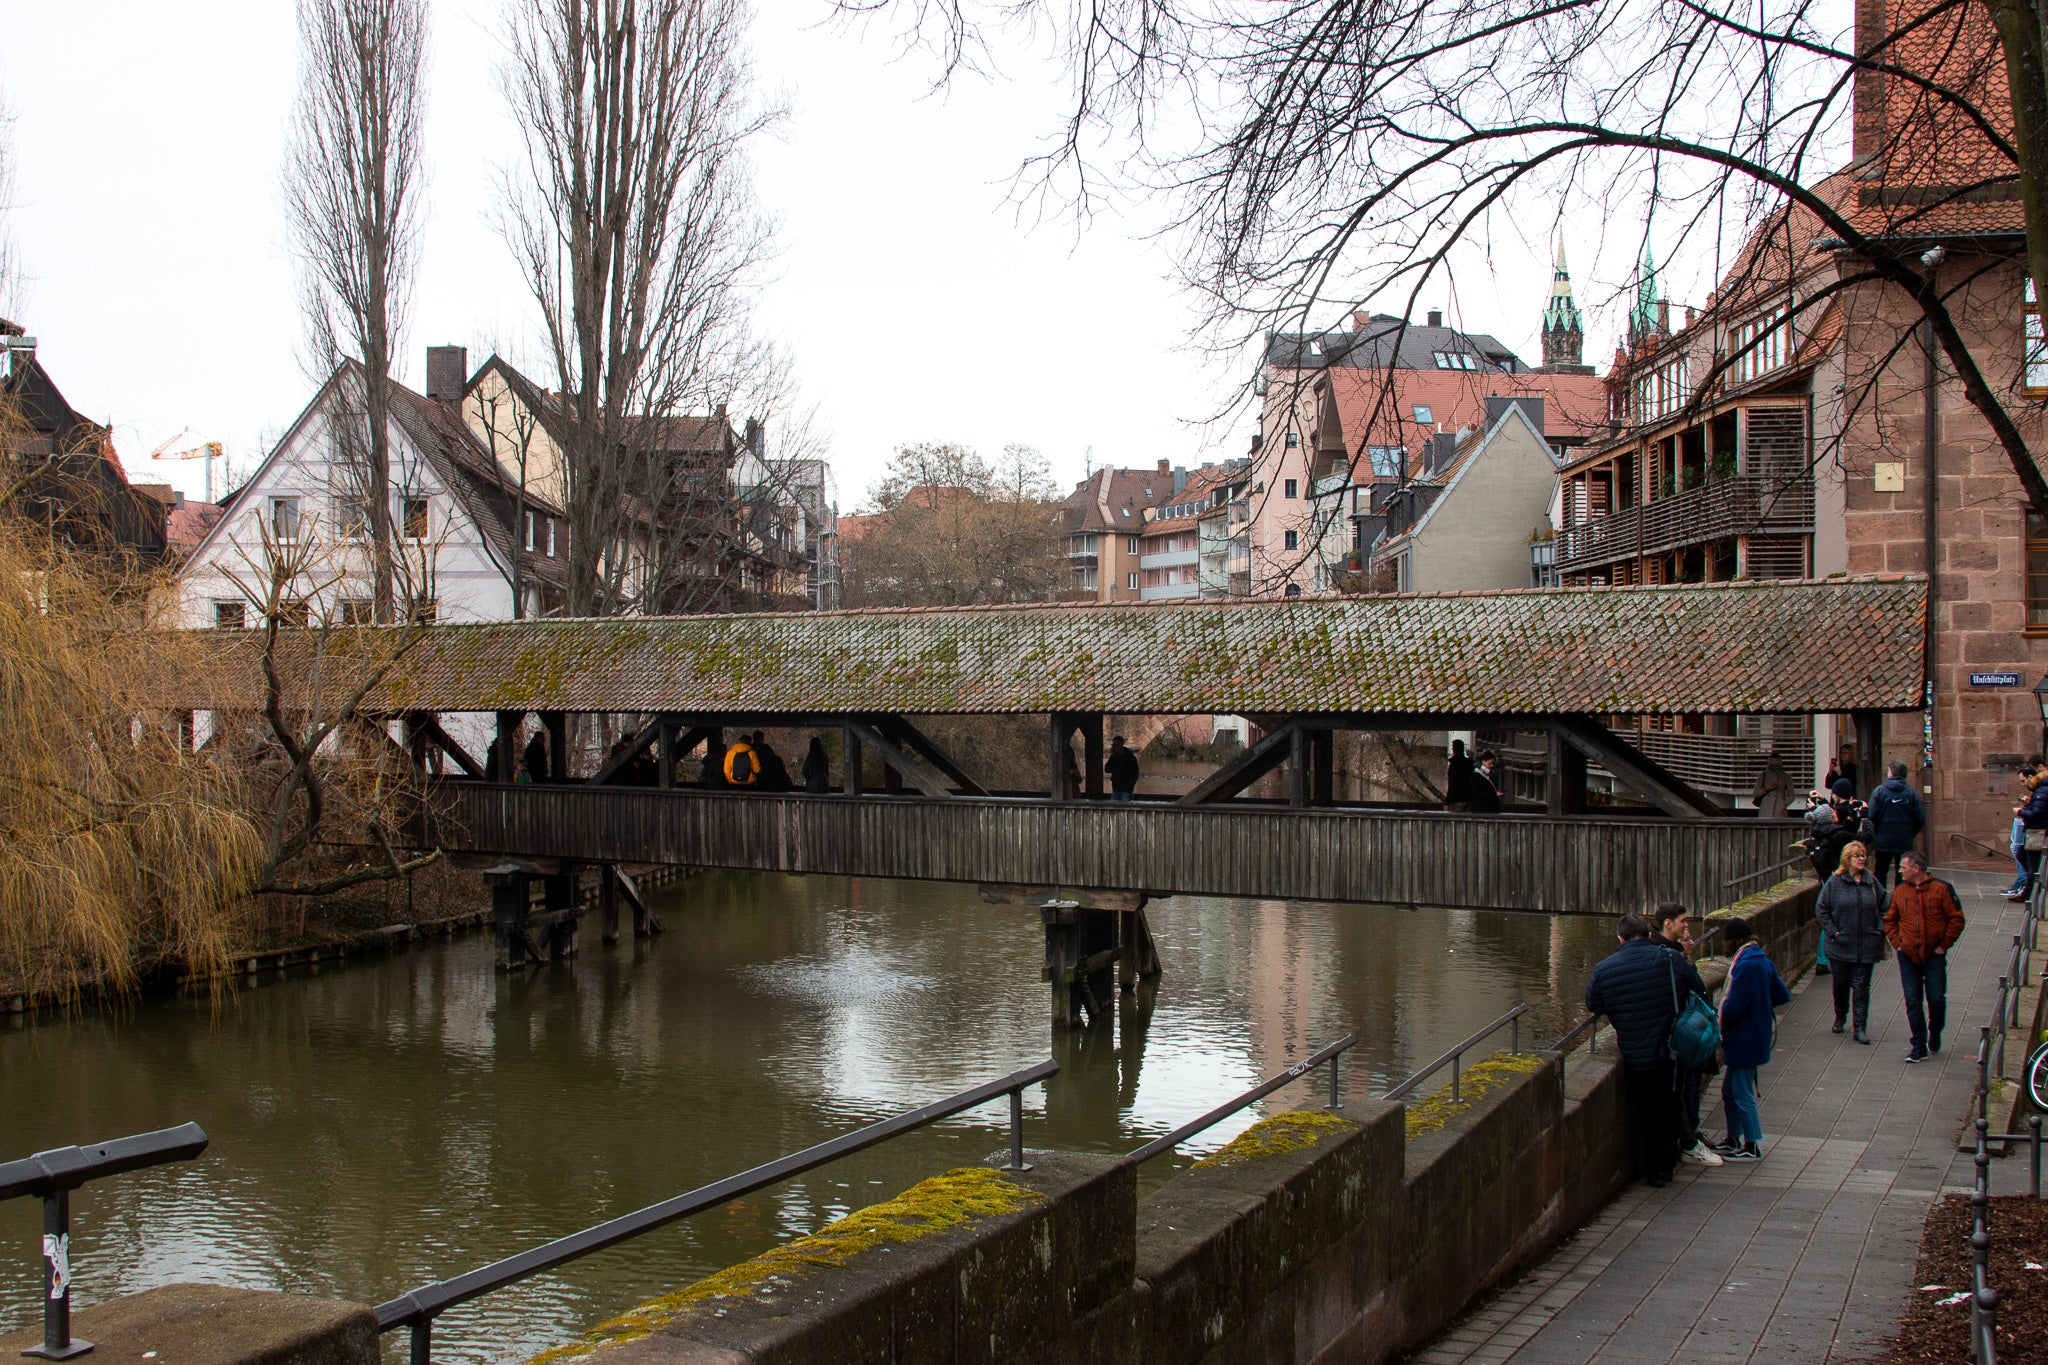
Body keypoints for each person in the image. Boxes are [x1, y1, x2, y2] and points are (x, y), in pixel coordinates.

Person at [1585, 912, 1709, 1188]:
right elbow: (1699, 989)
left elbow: (1593, 1003)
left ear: (1620, 937)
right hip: (1671, 1048)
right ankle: (1674, 1155)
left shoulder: (1605, 968)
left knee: (1648, 1110)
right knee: (1671, 1101)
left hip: (1636, 1051)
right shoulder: (1670, 959)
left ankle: (1659, 1171)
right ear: (1648, 934)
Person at [1651, 903, 1722, 1169]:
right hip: (1676, 1034)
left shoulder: (1671, 953)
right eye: (1682, 921)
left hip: (1675, 1032)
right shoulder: (1667, 955)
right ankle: (1689, 1141)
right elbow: (1698, 987)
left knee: (1688, 1087)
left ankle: (1691, 1135)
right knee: (1684, 1088)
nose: (1686, 926)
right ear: (1668, 923)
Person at [1713, 917, 1790, 1161]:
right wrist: (1761, 1006)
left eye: (1725, 940)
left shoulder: (1745, 965)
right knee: (1729, 1090)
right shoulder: (1761, 960)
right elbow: (1781, 994)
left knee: (1741, 1091)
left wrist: (1719, 1021)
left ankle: (1752, 1144)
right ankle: (1733, 1138)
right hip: (1755, 1034)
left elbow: (1733, 1005)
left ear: (1733, 941)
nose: (1723, 946)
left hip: (1743, 1037)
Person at [1884, 852, 1966, 1062]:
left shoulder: (1941, 889)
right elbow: (1890, 919)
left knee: (1937, 998)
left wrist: (1944, 945)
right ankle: (1918, 1045)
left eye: (1903, 867)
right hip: (1908, 954)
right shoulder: (1900, 892)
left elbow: (1956, 918)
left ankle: (1935, 1030)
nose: (1900, 870)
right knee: (1912, 1000)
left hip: (1933, 954)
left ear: (1916, 868)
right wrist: (1898, 944)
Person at [1815, 840, 1888, 1043]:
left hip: (1866, 945)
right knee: (1841, 984)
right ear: (1847, 860)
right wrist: (1833, 932)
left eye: (1864, 855)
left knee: (1862, 986)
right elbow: (1821, 909)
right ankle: (1840, 1014)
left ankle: (1860, 1027)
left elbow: (1886, 907)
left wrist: (1880, 930)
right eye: (1857, 856)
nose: (1862, 859)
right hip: (1840, 945)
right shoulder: (1835, 883)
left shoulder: (1871, 882)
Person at [1866, 760, 1925, 886]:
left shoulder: (1879, 792)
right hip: (1904, 839)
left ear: (1891, 772)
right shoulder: (1911, 794)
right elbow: (1920, 818)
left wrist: (1877, 832)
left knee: (1881, 870)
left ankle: (1881, 900)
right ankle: (1900, 899)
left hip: (1883, 838)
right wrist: (1910, 832)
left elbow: (1871, 815)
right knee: (1903, 871)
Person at [2011, 767, 2048, 900]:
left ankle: (2029, 893)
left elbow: (2037, 813)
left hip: (2037, 831)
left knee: (2032, 864)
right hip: (2035, 830)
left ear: (2031, 777)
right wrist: (2029, 804)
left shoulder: (2040, 791)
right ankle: (2031, 889)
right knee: (2023, 855)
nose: (2023, 784)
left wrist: (2020, 812)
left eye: (2023, 781)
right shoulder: (2040, 791)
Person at [1751, 753, 1792, 819]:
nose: (1774, 768)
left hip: (1779, 809)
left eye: (1776, 766)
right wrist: (1766, 789)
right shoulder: (1763, 775)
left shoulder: (1785, 776)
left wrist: (1783, 804)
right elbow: (1755, 794)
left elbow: (1791, 795)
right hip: (1766, 808)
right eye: (1772, 765)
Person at [1105, 735, 1141, 801]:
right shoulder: (1114, 757)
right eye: (1113, 745)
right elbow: (1107, 770)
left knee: (1125, 810)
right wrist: (1112, 757)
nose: (1114, 747)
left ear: (1122, 744)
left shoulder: (1130, 757)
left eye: (1117, 745)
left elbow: (1135, 774)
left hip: (1126, 791)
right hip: (1115, 790)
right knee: (1113, 809)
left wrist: (1129, 788)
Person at [1445, 739, 1476, 812]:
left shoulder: (1453, 765)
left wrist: (1448, 801)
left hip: (1457, 799)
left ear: (1454, 750)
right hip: (1469, 798)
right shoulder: (1469, 764)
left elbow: (1452, 784)